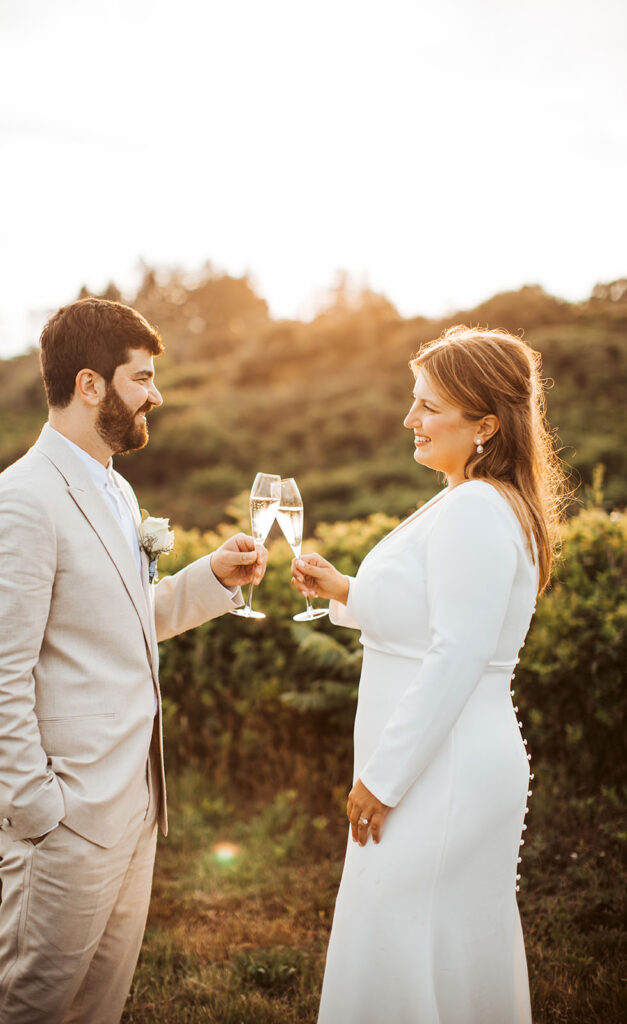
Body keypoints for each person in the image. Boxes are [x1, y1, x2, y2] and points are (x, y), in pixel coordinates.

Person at [0, 298, 266, 1024]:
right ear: (91, 385)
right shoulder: (21, 502)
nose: (155, 394)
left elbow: (130, 621)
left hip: (134, 799)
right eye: (142, 378)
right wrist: (35, 808)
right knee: (28, 1006)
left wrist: (211, 579)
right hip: (66, 813)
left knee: (96, 1008)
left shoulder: (115, 488)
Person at [292, 326, 567, 1024]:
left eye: (427, 406)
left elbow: (458, 652)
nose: (408, 419)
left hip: (439, 767)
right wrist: (343, 589)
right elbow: (434, 619)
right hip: (446, 757)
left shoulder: (475, 507)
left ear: (484, 424)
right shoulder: (468, 497)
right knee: (431, 945)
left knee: (397, 947)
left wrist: (383, 778)